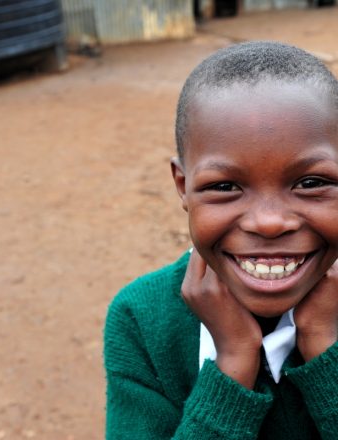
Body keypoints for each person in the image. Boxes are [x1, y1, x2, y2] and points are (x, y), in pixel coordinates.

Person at [103, 41, 338, 439]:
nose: (268, 223)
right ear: (183, 185)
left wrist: (323, 345)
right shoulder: (140, 319)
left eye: (311, 183)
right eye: (225, 186)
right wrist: (232, 366)